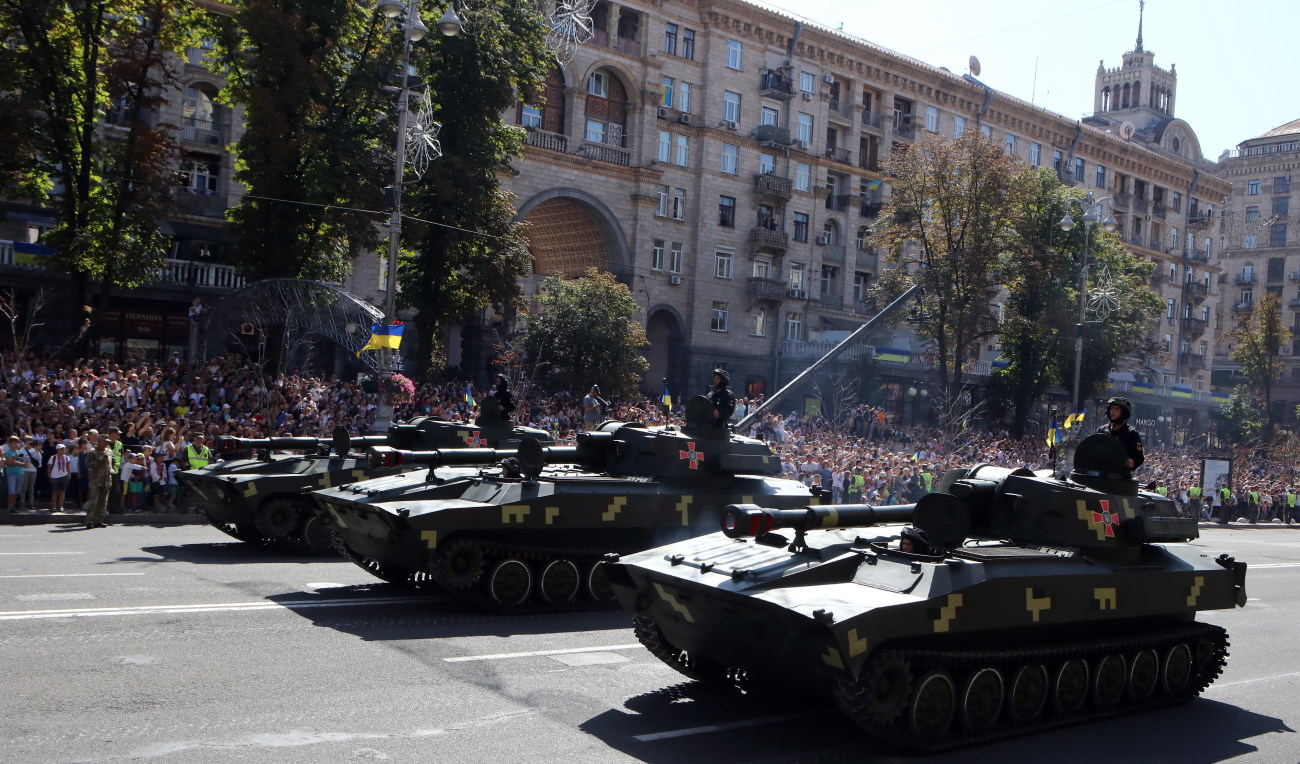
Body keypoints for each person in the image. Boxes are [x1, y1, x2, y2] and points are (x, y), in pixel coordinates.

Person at [1095, 396, 1144, 474]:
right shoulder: (1102, 430)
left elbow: (1139, 458)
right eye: (1111, 408)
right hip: (1101, 473)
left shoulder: (1131, 433)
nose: (1113, 411)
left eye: (1117, 409)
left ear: (1123, 412)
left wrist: (1132, 462)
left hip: (1120, 477)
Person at [84, 437, 114, 528]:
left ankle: (99, 520)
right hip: (96, 480)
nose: (106, 444)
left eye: (107, 442)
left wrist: (112, 469)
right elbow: (88, 464)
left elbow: (113, 462)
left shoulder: (109, 451)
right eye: (105, 442)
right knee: (93, 501)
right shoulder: (92, 452)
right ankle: (89, 520)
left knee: (103, 502)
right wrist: (100, 460)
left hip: (106, 480)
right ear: (99, 442)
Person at [4, 435, 28, 511]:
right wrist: (15, 458)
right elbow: (10, 463)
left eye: (17, 443)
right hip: (11, 473)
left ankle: (13, 507)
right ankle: (9, 506)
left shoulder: (20, 452)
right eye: (14, 443)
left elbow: (24, 463)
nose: (16, 444)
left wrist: (15, 462)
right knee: (11, 490)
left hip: (20, 473)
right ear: (10, 444)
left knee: (17, 491)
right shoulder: (8, 452)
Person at [48, 443, 72, 512]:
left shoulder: (66, 457)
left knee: (62, 491)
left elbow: (68, 466)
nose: (63, 451)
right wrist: (49, 475)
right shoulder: (53, 457)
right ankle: (54, 506)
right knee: (55, 491)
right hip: (54, 476)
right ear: (57, 450)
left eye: (64, 450)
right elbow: (49, 467)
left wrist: (69, 474)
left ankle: (61, 506)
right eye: (61, 450)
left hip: (64, 475)